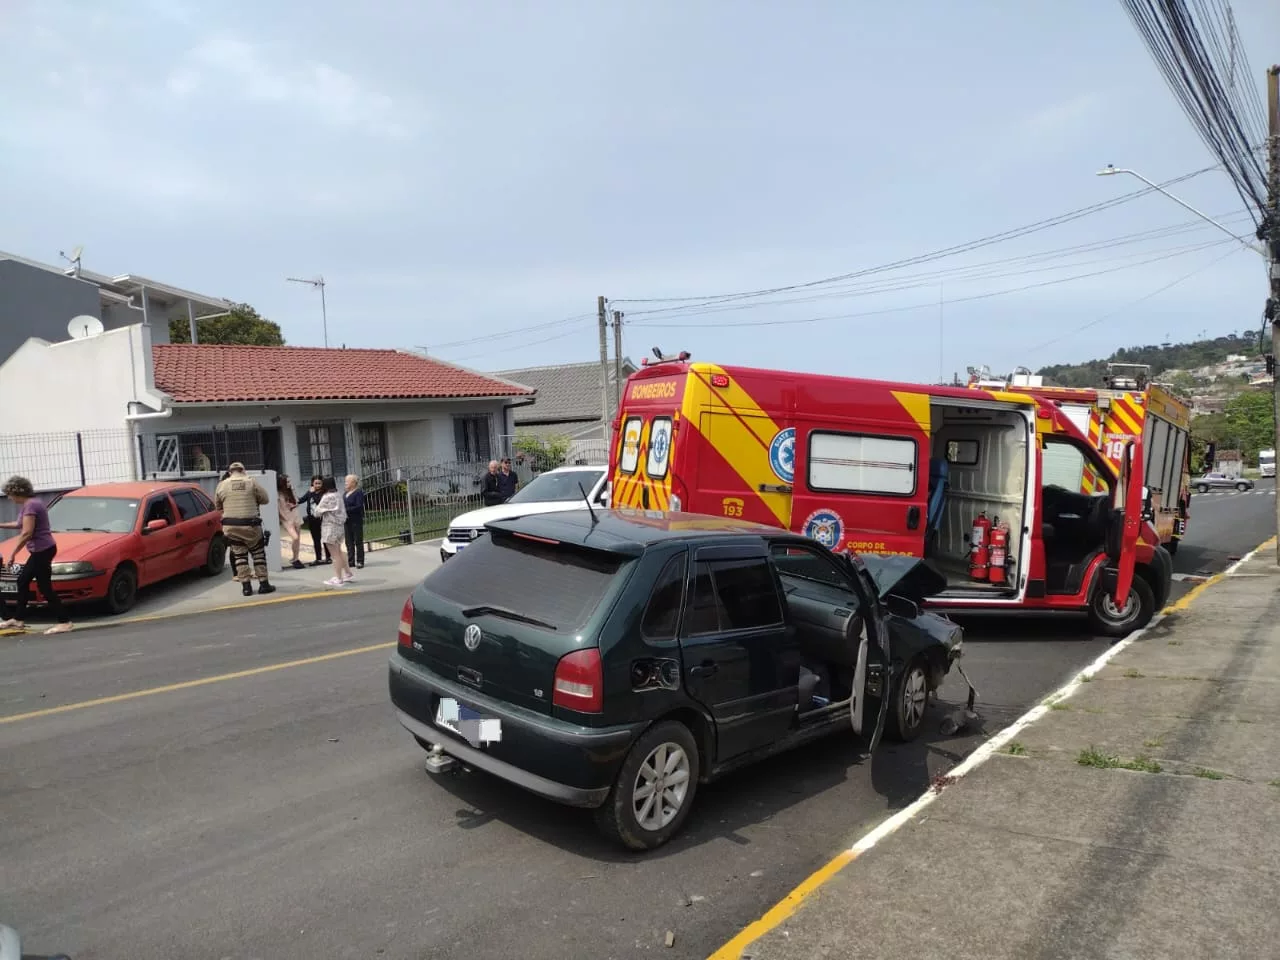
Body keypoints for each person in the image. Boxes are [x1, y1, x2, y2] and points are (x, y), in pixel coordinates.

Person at [0, 476, 72, 635]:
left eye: (9, 495)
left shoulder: (31, 505)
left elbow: (26, 532)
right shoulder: (30, 504)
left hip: (43, 550)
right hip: (41, 550)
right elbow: (20, 525)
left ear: (16, 492)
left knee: (44, 588)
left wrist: (12, 554)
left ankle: (64, 621)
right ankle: (18, 619)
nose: (9, 498)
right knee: (23, 580)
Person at [214, 462, 277, 597]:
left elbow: (218, 506)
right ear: (244, 470)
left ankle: (246, 588)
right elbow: (265, 499)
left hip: (231, 526)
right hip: (251, 525)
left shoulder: (222, 485)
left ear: (230, 472)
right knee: (258, 554)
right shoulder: (251, 482)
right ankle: (264, 584)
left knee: (240, 556)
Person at [315, 476, 352, 587]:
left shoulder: (326, 497)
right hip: (340, 526)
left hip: (329, 527)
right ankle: (348, 573)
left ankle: (338, 578)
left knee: (334, 555)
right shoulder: (338, 495)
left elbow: (316, 512)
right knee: (339, 551)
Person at [298, 475, 330, 566]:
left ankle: (328, 557)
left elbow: (318, 503)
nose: (317, 485)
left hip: (322, 519)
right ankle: (318, 558)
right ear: (312, 483)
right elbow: (300, 500)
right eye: (315, 483)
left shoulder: (324, 493)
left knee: (325, 539)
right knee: (316, 539)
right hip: (312, 519)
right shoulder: (309, 492)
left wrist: (312, 493)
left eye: (319, 483)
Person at [278, 474, 304, 570]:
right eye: (287, 482)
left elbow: (297, 501)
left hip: (295, 515)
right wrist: (284, 518)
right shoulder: (278, 493)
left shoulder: (290, 490)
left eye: (289, 481)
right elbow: (279, 509)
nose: (289, 483)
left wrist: (292, 504)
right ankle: (294, 558)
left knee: (297, 539)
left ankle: (295, 558)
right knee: (295, 537)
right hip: (286, 518)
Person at [343, 474, 366, 569]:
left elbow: (359, 506)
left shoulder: (358, 493)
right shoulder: (345, 494)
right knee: (349, 542)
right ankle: (350, 561)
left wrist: (346, 509)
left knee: (358, 541)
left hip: (356, 520)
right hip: (347, 520)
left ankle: (360, 561)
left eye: (347, 481)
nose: (345, 483)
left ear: (353, 483)